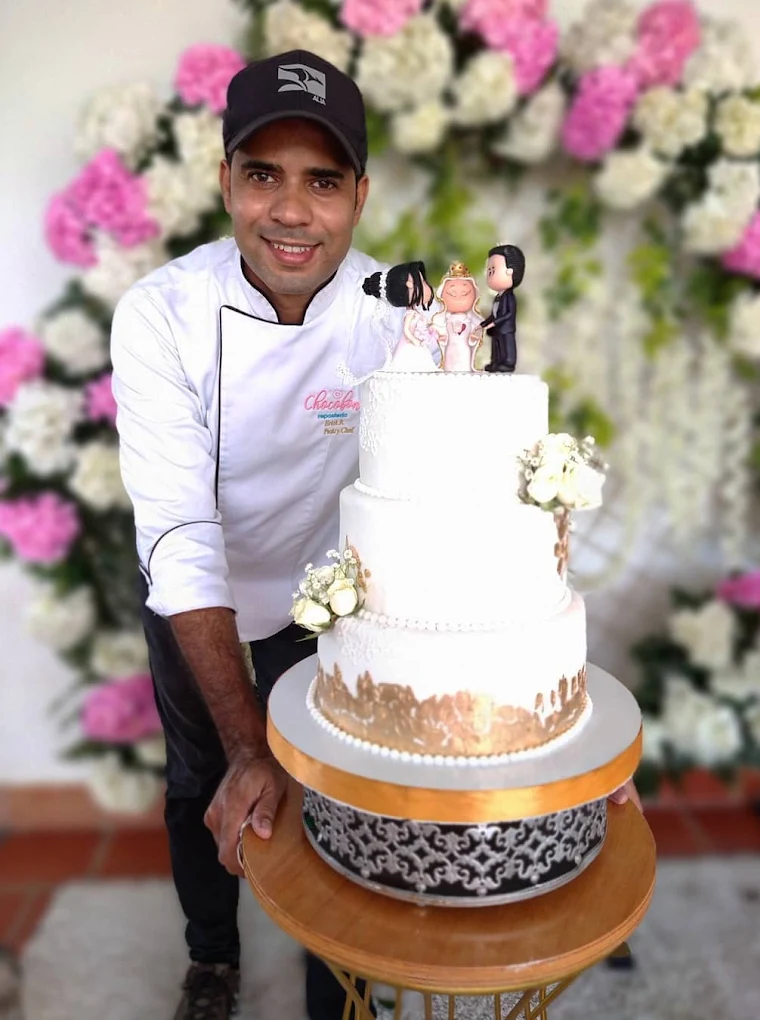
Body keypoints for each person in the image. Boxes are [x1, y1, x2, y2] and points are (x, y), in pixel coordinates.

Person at [111, 47, 642, 1020]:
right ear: (226, 181)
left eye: (321, 181)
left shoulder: (391, 319)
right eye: (263, 175)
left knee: (336, 806)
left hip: (339, 612)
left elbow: (469, 494)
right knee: (203, 784)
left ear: (359, 194)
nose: (290, 210)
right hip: (202, 602)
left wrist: (556, 745)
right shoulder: (161, 316)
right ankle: (213, 954)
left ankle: (337, 994)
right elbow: (181, 536)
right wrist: (246, 744)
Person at [362, 261, 440, 372]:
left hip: (417, 345)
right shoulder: (410, 314)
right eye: (422, 282)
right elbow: (407, 331)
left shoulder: (416, 313)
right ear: (409, 286)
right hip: (409, 346)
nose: (427, 286)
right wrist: (415, 341)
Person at [480, 243, 525, 373]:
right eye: (489, 271)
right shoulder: (498, 297)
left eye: (493, 271)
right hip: (497, 329)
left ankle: (507, 363)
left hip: (505, 328)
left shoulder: (509, 297)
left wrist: (494, 322)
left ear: (509, 271)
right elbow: (494, 314)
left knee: (506, 347)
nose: (489, 275)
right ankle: (496, 362)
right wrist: (485, 323)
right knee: (496, 347)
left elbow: (508, 314)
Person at [431, 261, 483, 372]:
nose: (458, 298)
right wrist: (442, 338)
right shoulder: (446, 319)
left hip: (465, 349)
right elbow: (439, 333)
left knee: (464, 365)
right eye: (452, 294)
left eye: (465, 293)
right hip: (450, 348)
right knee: (450, 366)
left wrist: (473, 338)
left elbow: (478, 332)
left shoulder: (470, 320)